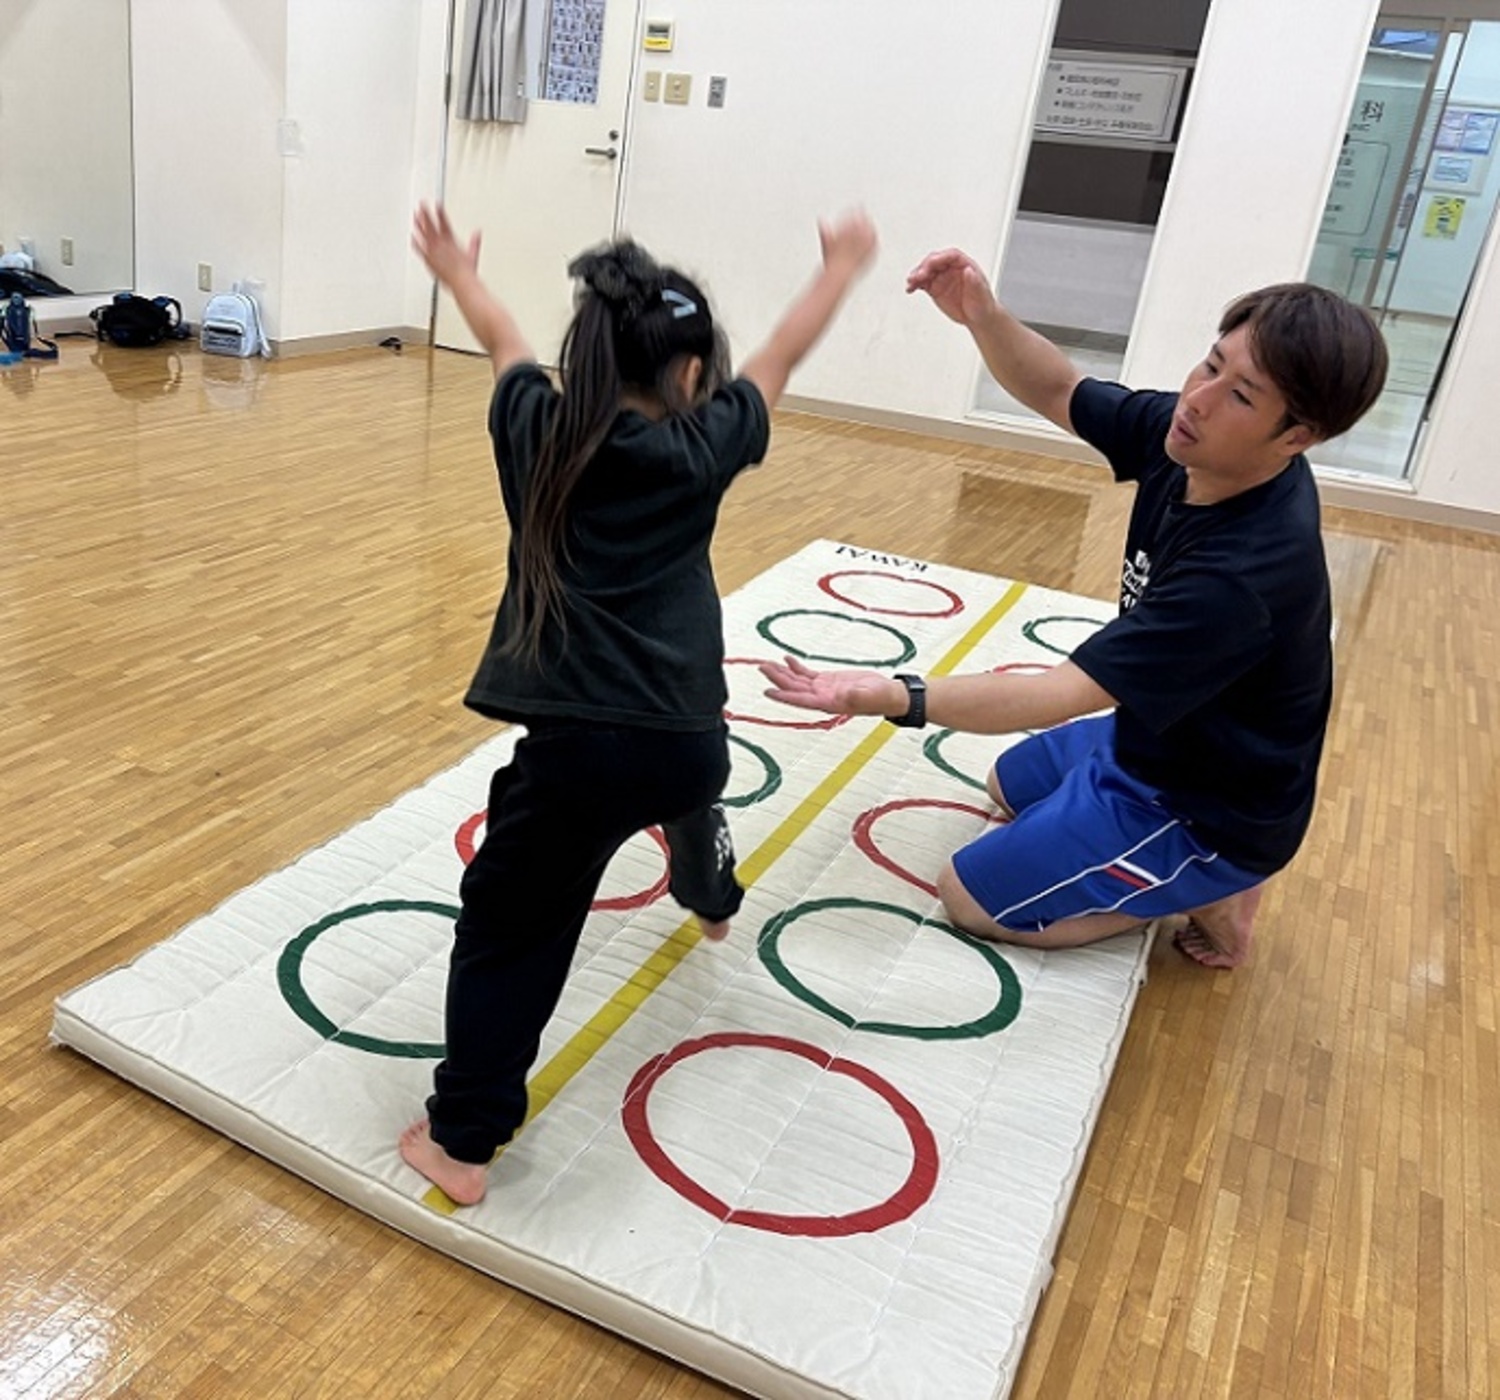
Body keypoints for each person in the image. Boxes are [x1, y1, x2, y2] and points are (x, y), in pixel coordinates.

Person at [400, 202, 877, 1206]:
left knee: (509, 927)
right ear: (692, 375)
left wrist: (457, 270)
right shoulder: (704, 445)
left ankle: (461, 1141)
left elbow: (502, 338)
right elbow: (781, 356)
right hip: (688, 739)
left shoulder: (534, 427)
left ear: (582, 357)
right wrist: (839, 268)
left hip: (577, 757)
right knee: (684, 792)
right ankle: (711, 900)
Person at [761, 249, 1387, 973]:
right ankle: (1137, 841)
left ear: (1297, 436)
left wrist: (895, 695)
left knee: (972, 897)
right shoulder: (1191, 440)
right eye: (1212, 364)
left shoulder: (1242, 576)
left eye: (1241, 396)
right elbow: (1061, 388)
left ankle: (1216, 891)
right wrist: (983, 315)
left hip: (1209, 810)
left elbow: (1057, 693)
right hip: (1159, 737)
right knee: (1007, 783)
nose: (1198, 398)